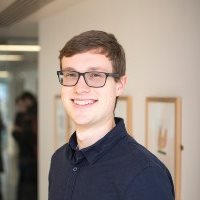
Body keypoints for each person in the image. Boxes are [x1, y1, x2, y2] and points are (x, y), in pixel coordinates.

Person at [49, 30, 175, 200]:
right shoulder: (59, 161)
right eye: (71, 74)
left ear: (119, 85)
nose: (80, 88)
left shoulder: (145, 174)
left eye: (95, 75)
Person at [12, 91, 38, 200]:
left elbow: (22, 135)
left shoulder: (31, 116)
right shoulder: (22, 116)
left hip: (30, 158)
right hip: (26, 156)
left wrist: (19, 131)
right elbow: (14, 133)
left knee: (28, 187)